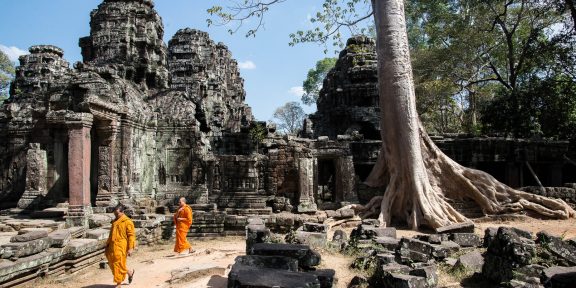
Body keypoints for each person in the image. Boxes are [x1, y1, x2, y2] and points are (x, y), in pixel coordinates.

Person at [105, 204, 136, 287]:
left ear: (122, 212)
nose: (116, 215)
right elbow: (111, 235)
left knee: (118, 264)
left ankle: (118, 284)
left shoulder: (127, 222)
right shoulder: (115, 222)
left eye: (117, 213)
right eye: (115, 214)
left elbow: (131, 235)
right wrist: (107, 245)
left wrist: (131, 248)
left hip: (121, 246)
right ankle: (129, 272)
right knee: (113, 263)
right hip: (112, 245)